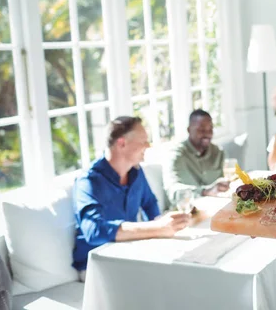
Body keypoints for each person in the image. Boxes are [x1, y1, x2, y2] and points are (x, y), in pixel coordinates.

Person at [72, 116, 190, 275]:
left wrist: (164, 230)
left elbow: (149, 204)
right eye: (143, 141)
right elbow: (94, 231)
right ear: (121, 143)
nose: (148, 145)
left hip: (130, 254)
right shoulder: (88, 181)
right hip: (96, 267)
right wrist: (156, 228)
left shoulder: (136, 172)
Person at [164, 109, 229, 204]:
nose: (207, 134)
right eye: (201, 129)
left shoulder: (218, 152)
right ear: (189, 130)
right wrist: (204, 192)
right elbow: (173, 190)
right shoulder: (177, 155)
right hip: (188, 212)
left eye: (210, 129)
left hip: (216, 208)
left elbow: (225, 183)